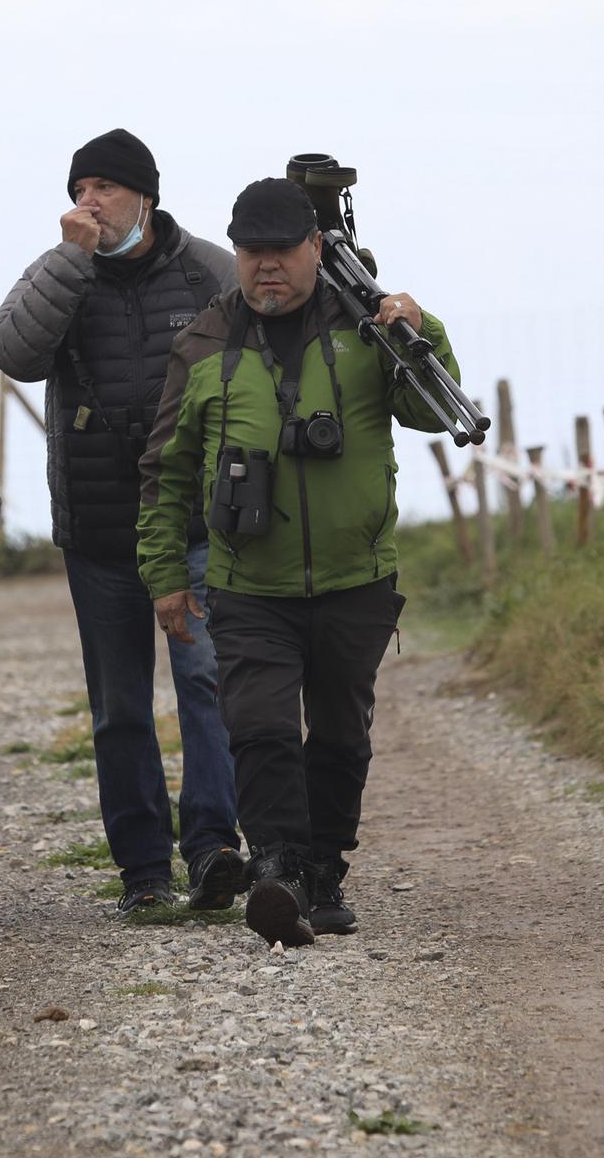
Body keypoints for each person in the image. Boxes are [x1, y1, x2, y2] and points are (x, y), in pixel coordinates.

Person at [137, 177, 464, 948]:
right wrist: (164, 576)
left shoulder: (368, 331)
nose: (266, 267)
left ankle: (324, 871)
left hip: (356, 578)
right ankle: (280, 867)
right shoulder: (204, 345)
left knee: (342, 735)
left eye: (283, 250)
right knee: (259, 726)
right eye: (252, 252)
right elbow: (166, 469)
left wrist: (424, 327)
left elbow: (433, 409)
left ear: (317, 248)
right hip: (249, 583)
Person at [0, 130, 243, 917]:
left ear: (145, 196)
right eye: (79, 187)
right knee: (121, 705)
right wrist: (70, 261)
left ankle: (212, 850)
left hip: (197, 526)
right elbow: (11, 351)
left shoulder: (208, 271)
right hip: (99, 533)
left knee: (206, 684)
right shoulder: (60, 270)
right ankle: (143, 875)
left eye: (104, 187)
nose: (88, 202)